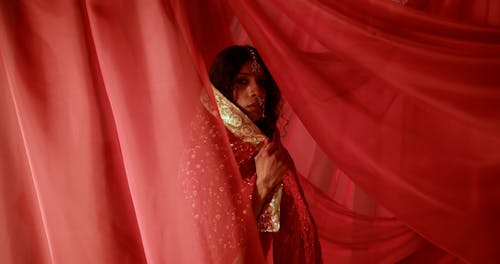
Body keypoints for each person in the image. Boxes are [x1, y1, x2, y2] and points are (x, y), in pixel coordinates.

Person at [180, 45, 322, 263]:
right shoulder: (203, 150)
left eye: (261, 82)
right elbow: (214, 247)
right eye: (242, 81)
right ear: (222, 89)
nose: (258, 92)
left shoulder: (266, 149)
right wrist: (262, 186)